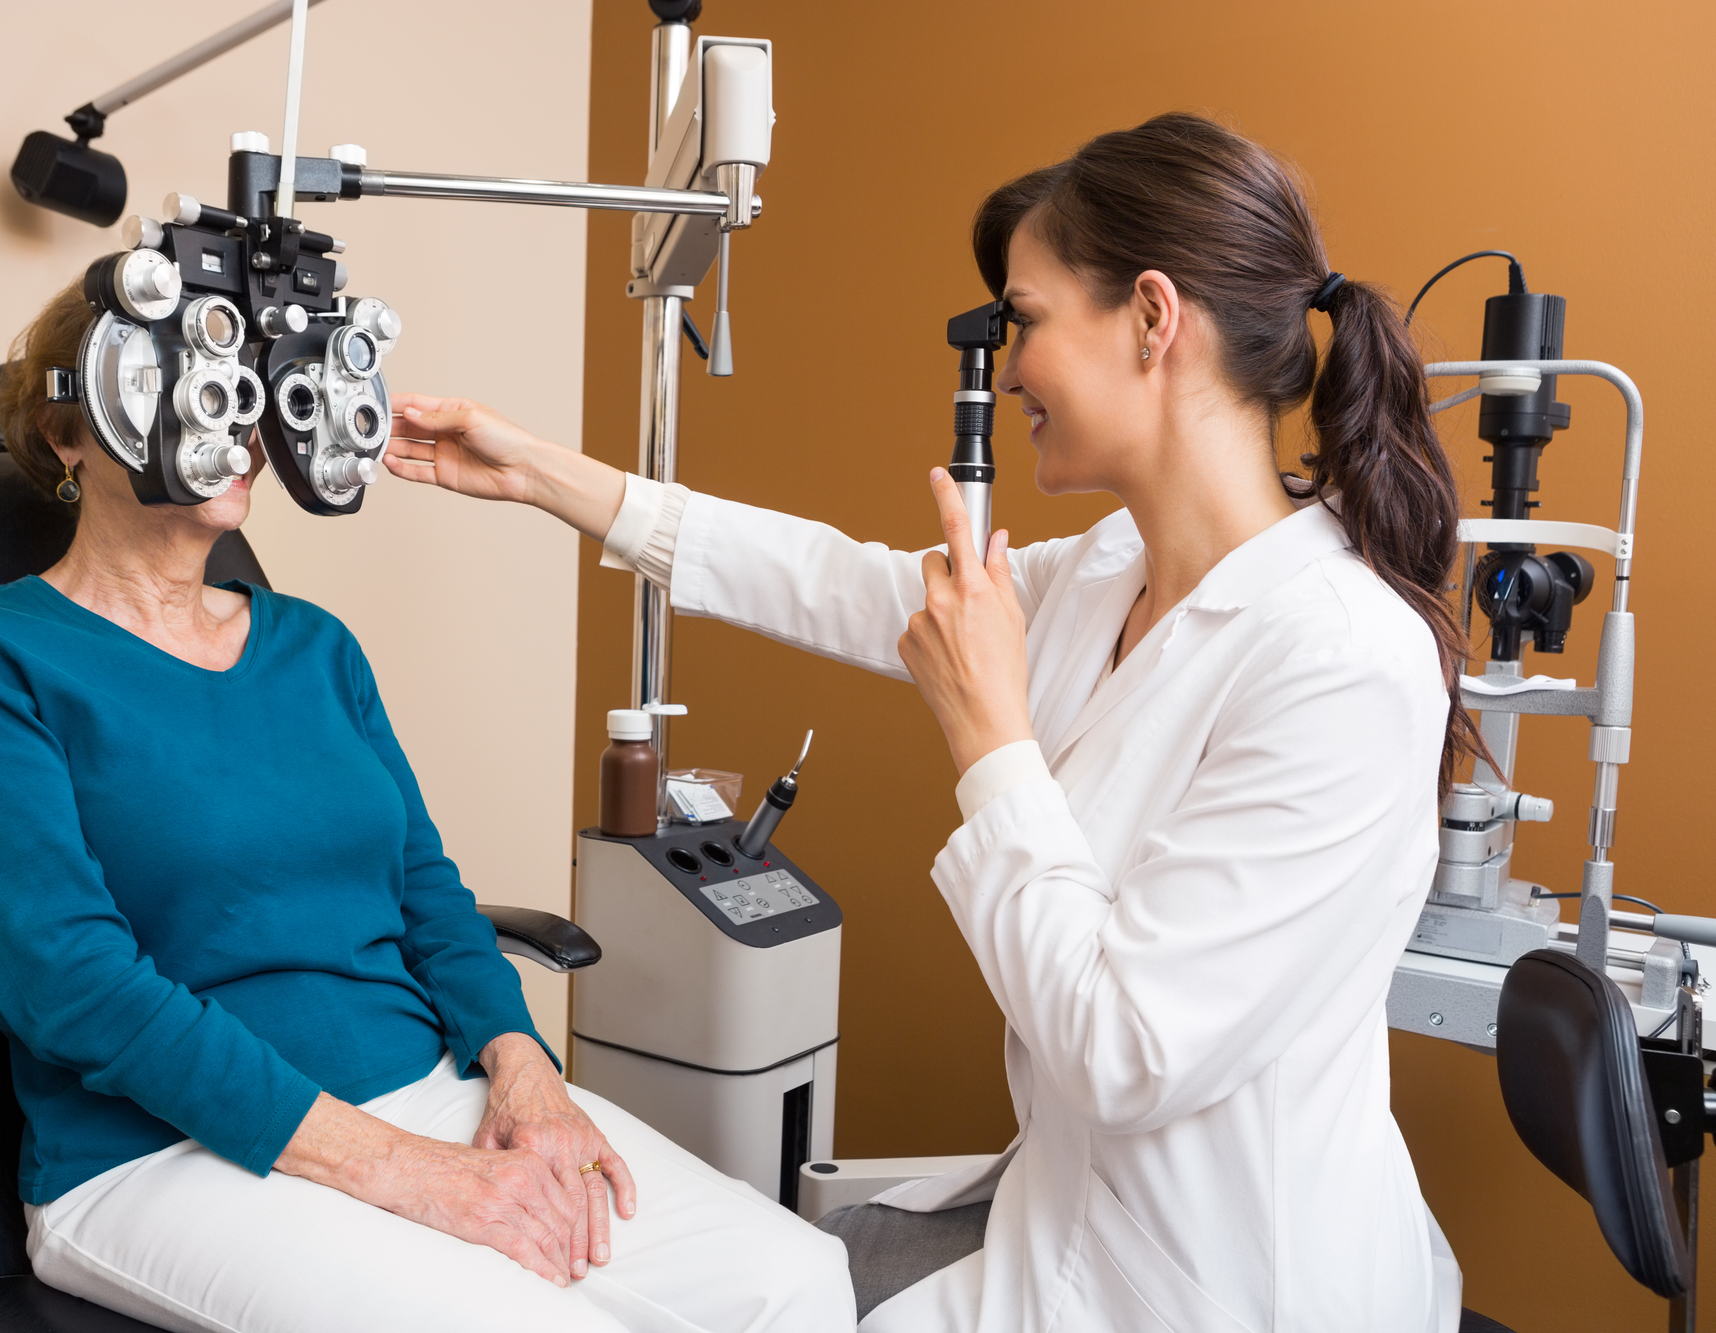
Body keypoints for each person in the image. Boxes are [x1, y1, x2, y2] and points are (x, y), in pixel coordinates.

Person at [381, 112, 1469, 1333]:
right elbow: (838, 582)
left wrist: (989, 739)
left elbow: (1125, 1051)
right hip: (1071, 1234)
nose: (1006, 372)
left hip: (1231, 1287)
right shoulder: (1112, 570)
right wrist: (542, 475)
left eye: (1029, 320)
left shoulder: (1341, 659)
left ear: (1153, 319)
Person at [0, 278, 856, 1333]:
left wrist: (523, 1069)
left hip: (427, 1089)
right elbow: (69, 987)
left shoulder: (314, 646)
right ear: (71, 430)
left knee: (794, 1281)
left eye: (247, 391)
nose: (238, 424)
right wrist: (405, 1171)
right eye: (187, 387)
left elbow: (425, 891)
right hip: (161, 1155)